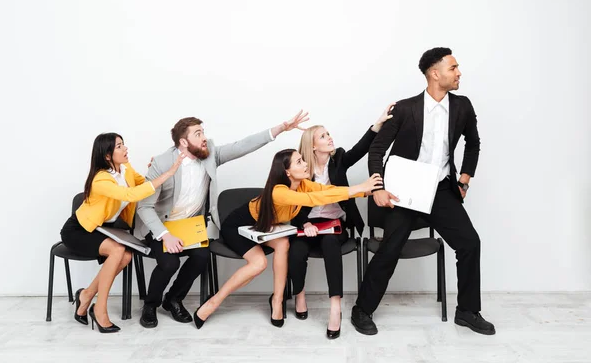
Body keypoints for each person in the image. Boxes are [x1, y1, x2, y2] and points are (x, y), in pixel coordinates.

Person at [351, 47, 495, 336]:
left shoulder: (462, 106)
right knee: (390, 249)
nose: (459, 73)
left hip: (441, 188)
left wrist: (464, 179)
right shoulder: (405, 108)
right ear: (434, 73)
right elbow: (378, 149)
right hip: (404, 190)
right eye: (453, 68)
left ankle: (467, 311)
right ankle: (362, 310)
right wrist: (377, 187)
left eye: (457, 68)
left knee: (469, 243)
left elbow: (473, 143)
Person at [136, 111, 309, 328]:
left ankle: (173, 299)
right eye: (198, 134)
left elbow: (243, 146)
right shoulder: (161, 163)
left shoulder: (209, 154)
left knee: (201, 256)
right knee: (169, 262)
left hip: (190, 226)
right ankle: (150, 305)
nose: (204, 137)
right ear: (183, 141)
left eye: (203, 132)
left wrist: (281, 128)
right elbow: (144, 206)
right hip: (162, 226)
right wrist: (165, 235)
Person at [193, 148, 383, 329]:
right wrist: (359, 187)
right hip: (238, 226)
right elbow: (314, 200)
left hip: (265, 229)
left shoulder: (303, 184)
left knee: (284, 243)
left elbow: (326, 191)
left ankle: (277, 300)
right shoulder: (279, 191)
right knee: (259, 263)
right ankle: (214, 301)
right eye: (299, 162)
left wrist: (367, 191)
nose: (305, 163)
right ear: (287, 172)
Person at [288, 103, 395, 339]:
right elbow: (292, 200)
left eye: (328, 134)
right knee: (295, 250)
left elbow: (361, 149)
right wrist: (304, 223)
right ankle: (300, 294)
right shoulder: (301, 169)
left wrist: (377, 124)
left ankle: (335, 306)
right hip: (308, 226)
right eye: (323, 136)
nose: (329, 138)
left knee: (330, 245)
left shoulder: (340, 160)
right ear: (313, 146)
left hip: (335, 226)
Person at [60, 132, 183, 333]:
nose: (125, 149)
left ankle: (86, 295)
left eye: (123, 144)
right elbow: (130, 194)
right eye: (119, 146)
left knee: (126, 255)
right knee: (118, 251)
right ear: (107, 155)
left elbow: (143, 184)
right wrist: (168, 173)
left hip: (101, 229)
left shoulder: (125, 169)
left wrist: (155, 170)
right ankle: (99, 310)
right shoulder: (101, 179)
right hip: (78, 230)